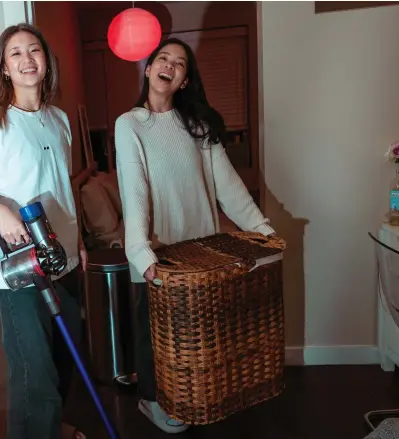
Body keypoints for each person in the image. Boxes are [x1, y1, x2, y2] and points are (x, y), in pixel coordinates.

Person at [114, 38, 276, 434]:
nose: (170, 66)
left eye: (180, 64)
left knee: (197, 338)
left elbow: (230, 188)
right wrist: (141, 253)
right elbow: (134, 191)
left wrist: (263, 231)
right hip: (158, 257)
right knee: (155, 338)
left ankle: (197, 397)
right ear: (149, 68)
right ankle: (150, 401)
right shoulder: (130, 124)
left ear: (184, 81)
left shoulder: (199, 127)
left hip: (202, 255)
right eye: (163, 59)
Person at [0, 23, 87, 439]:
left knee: (64, 357)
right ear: (4, 67)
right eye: (15, 53)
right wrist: (3, 212)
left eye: (33, 50)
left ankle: (52, 429)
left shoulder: (58, 119)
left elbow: (64, 187)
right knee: (32, 371)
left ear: (45, 61)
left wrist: (80, 240)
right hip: (22, 268)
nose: (26, 59)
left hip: (65, 257)